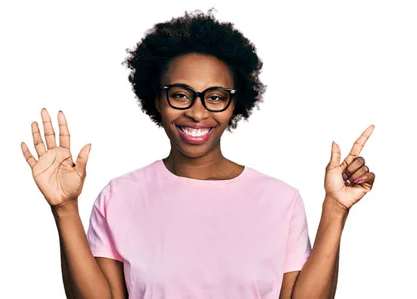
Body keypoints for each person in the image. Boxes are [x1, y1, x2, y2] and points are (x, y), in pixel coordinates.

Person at [20, 10, 376, 299]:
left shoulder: (280, 201)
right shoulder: (120, 196)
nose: (197, 112)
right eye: (180, 94)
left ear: (234, 104)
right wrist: (64, 209)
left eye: (216, 97)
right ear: (157, 100)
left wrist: (335, 209)